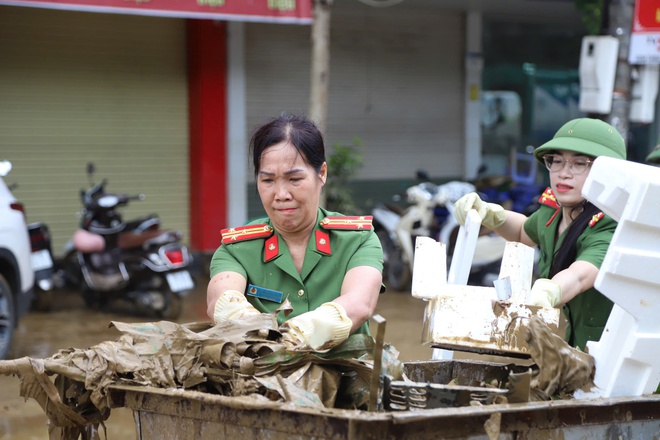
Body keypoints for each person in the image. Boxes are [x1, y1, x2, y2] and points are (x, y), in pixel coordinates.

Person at [206, 113, 383, 351]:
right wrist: (259, 334)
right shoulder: (236, 248)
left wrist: (298, 335)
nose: (281, 194)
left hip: (345, 377)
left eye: (294, 179)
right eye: (268, 181)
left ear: (322, 173)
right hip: (262, 379)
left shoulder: (357, 239)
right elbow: (221, 300)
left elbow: (360, 304)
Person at [454, 118, 626, 350]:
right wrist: (491, 214)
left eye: (579, 164)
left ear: (609, 173)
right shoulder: (554, 210)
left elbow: (581, 275)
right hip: (580, 344)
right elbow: (524, 232)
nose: (563, 173)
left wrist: (550, 291)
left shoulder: (612, 223)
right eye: (556, 161)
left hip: (618, 353)